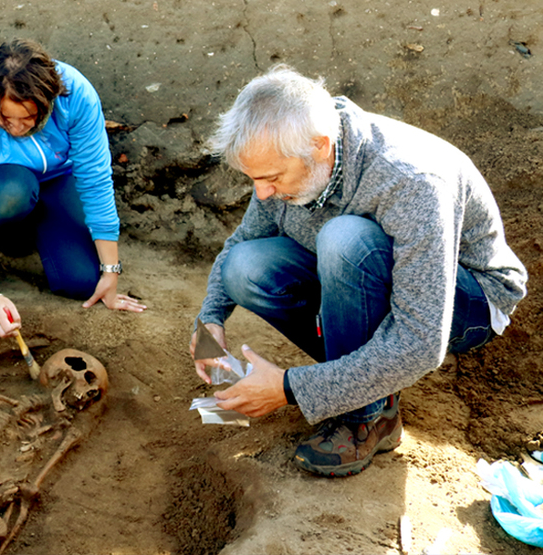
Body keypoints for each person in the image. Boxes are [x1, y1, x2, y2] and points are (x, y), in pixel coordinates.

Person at [189, 64, 527, 477]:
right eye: (255, 179)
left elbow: (421, 341)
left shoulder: (409, 181)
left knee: (346, 241)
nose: (262, 193)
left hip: (466, 302)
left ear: (319, 145)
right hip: (373, 277)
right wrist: (209, 320)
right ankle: (359, 375)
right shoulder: (288, 155)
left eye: (272, 178)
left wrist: (290, 387)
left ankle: (367, 418)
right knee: (246, 267)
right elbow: (242, 242)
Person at [0, 39, 145, 339]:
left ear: (49, 101)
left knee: (84, 283)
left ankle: (29, 233)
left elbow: (95, 182)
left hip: (56, 179)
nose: (16, 128)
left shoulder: (76, 95)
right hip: (2, 185)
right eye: (4, 118)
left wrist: (111, 271)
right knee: (15, 192)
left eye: (29, 118)